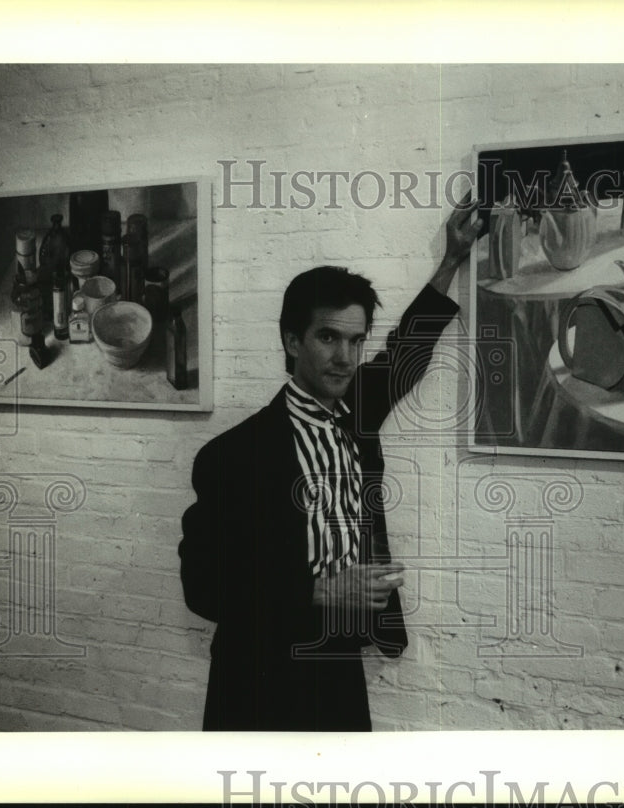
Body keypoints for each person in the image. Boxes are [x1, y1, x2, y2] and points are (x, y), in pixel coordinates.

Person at [178, 199, 482, 730]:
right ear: (292, 342)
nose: (345, 356)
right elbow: (202, 587)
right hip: (257, 674)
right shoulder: (230, 456)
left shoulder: (358, 409)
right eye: (327, 337)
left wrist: (453, 258)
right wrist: (317, 590)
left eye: (355, 340)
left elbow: (407, 351)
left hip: (339, 665)